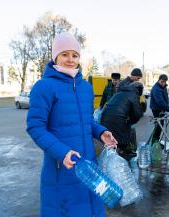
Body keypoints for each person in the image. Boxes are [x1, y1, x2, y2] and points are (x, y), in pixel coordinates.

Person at [26, 32, 118, 217]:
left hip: (89, 167)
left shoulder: (85, 87)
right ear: (55, 57)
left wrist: (101, 132)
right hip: (62, 169)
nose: (70, 59)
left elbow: (87, 121)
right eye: (65, 54)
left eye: (74, 55)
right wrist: (62, 153)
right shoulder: (44, 87)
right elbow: (35, 127)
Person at [100, 82, 144, 158]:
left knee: (113, 141)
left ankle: (115, 155)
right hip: (117, 120)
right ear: (139, 90)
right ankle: (124, 156)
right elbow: (138, 114)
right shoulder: (133, 95)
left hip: (104, 119)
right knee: (123, 139)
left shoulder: (120, 93)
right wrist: (130, 121)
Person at [150, 74, 169, 143]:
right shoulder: (156, 89)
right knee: (158, 126)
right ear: (159, 80)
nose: (163, 83)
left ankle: (156, 142)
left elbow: (164, 98)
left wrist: (166, 107)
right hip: (157, 110)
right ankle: (154, 142)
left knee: (159, 126)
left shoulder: (163, 87)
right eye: (162, 81)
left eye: (164, 82)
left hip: (161, 109)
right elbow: (160, 102)